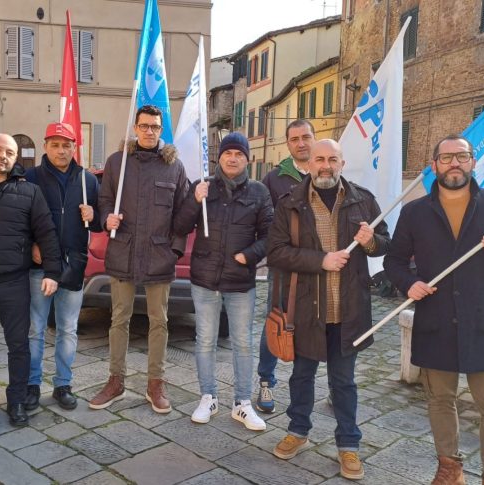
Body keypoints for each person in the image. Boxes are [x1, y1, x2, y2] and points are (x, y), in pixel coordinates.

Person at [384, 135, 484, 485]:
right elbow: (393, 261)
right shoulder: (414, 212)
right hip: (435, 322)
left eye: (462, 156)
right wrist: (408, 284)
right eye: (447, 157)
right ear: (435, 164)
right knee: (440, 401)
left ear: (473, 162)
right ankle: (450, 469)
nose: (454, 163)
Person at [267, 139, 390, 480]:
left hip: (348, 308)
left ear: (342, 162)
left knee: (345, 383)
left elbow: (384, 241)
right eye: (319, 159)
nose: (325, 165)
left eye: (332, 159)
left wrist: (370, 241)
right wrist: (321, 260)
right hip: (306, 308)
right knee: (302, 377)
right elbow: (276, 252)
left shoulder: (363, 200)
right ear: (308, 163)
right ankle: (298, 430)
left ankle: (349, 446)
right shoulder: (289, 203)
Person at [90, 105, 190, 413]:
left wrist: (174, 250)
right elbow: (104, 200)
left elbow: (182, 212)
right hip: (124, 251)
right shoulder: (118, 162)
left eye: (155, 127)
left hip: (159, 257)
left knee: (159, 321)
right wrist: (107, 218)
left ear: (162, 130)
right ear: (135, 127)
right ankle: (115, 381)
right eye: (144, 126)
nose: (149, 131)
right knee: (119, 319)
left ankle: (154, 384)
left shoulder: (174, 166)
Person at [174, 132, 273, 430]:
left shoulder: (259, 192)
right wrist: (194, 200)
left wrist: (249, 255)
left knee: (243, 343)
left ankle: (242, 403)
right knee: (204, 341)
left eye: (239, 154)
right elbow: (179, 226)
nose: (233, 158)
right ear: (219, 157)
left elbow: (271, 235)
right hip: (205, 280)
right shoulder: (203, 187)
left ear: (247, 159)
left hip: (240, 282)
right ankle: (208, 397)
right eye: (228, 153)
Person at [0, 133, 61, 427]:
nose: (2, 156)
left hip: (13, 282)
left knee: (19, 345)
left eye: (9, 152)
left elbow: (47, 233)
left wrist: (53, 272)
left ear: (16, 159)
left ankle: (16, 401)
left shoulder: (29, 192)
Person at [24, 123, 101, 411]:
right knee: (35, 329)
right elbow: (20, 217)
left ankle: (62, 384)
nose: (61, 150)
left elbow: (98, 222)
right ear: (45, 146)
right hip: (40, 266)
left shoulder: (87, 180)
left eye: (66, 144)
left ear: (74, 148)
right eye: (55, 144)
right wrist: (31, 244)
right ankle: (32, 384)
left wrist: (94, 215)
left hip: (74, 265)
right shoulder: (31, 177)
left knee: (68, 330)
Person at [255, 118, 316, 413]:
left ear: (314, 139)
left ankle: (304, 385)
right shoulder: (275, 178)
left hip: (318, 269)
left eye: (306, 137)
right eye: (295, 139)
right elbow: (264, 222)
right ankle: (266, 381)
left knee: (312, 328)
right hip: (283, 270)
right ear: (288, 144)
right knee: (275, 323)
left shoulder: (328, 170)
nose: (301, 143)